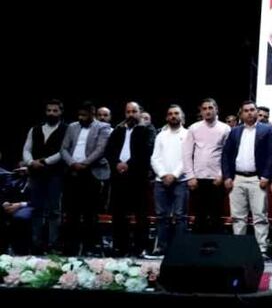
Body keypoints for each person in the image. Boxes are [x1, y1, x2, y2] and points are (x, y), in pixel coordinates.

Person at [222, 101, 272, 255]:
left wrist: (266, 176)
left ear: (256, 112)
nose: (249, 113)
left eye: (252, 110)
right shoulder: (234, 132)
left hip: (257, 179)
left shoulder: (267, 130)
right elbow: (226, 155)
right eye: (246, 110)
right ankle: (239, 248)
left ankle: (261, 249)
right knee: (238, 217)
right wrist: (227, 176)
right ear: (241, 114)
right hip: (237, 178)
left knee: (260, 216)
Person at [60, 101, 111, 256]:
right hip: (72, 172)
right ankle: (71, 247)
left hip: (91, 173)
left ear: (92, 113)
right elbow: (64, 149)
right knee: (71, 212)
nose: (81, 118)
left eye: (84, 115)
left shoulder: (103, 127)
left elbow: (101, 149)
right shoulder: (72, 127)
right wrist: (72, 163)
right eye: (79, 115)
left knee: (90, 212)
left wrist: (84, 164)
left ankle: (90, 247)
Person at [105, 101, 156, 256]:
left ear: (140, 113)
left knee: (141, 214)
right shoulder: (118, 130)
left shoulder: (146, 130)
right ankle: (120, 247)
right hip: (119, 176)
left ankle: (139, 248)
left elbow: (146, 151)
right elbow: (109, 150)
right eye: (128, 112)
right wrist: (117, 164)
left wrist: (128, 165)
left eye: (134, 111)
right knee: (119, 214)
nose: (131, 115)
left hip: (137, 177)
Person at [22, 99, 65, 254]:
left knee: (54, 210)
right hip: (36, 174)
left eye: (55, 110)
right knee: (36, 209)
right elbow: (27, 149)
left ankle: (53, 244)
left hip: (55, 174)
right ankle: (36, 244)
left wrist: (45, 161)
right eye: (49, 110)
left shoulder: (66, 129)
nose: (51, 113)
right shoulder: (35, 129)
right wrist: (30, 162)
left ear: (61, 112)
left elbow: (64, 151)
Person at [183, 98, 231, 234]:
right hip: (198, 178)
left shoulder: (225, 128)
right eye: (204, 109)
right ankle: (198, 246)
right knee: (199, 217)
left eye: (210, 108)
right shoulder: (194, 128)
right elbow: (187, 153)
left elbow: (228, 155)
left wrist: (222, 175)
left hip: (217, 178)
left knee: (216, 217)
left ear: (217, 110)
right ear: (201, 111)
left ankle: (216, 245)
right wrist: (190, 176)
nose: (207, 111)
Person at [149, 105, 189, 256]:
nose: (173, 116)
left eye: (176, 113)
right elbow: (155, 158)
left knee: (180, 216)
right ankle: (161, 247)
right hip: (161, 181)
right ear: (166, 117)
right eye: (170, 114)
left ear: (182, 116)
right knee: (161, 216)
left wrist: (174, 175)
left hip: (181, 180)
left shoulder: (187, 134)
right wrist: (163, 174)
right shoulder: (161, 135)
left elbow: (187, 158)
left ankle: (180, 249)